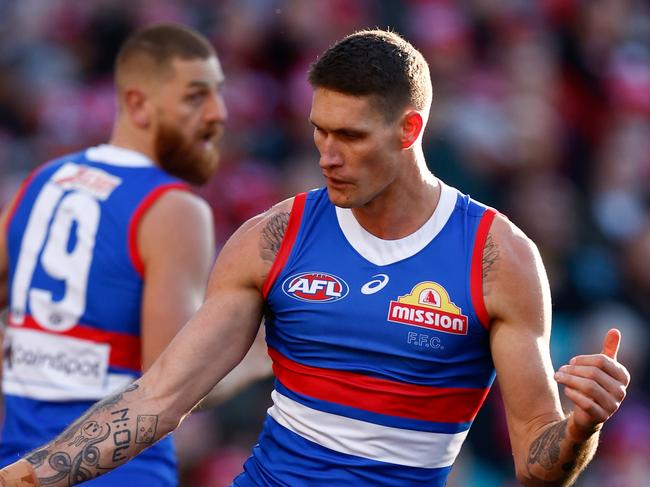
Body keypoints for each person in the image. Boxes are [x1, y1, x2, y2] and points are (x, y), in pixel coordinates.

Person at [0, 29, 630, 487]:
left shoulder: (498, 259)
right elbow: (160, 396)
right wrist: (29, 476)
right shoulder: (273, 237)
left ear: (408, 131)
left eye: (350, 137)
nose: (327, 155)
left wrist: (580, 430)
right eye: (318, 131)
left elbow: (535, 464)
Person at [0, 22, 270, 486]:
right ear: (138, 104)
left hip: (19, 462)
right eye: (195, 97)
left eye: (218, 95)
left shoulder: (43, 180)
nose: (217, 114)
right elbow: (172, 387)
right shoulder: (174, 209)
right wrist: (257, 357)